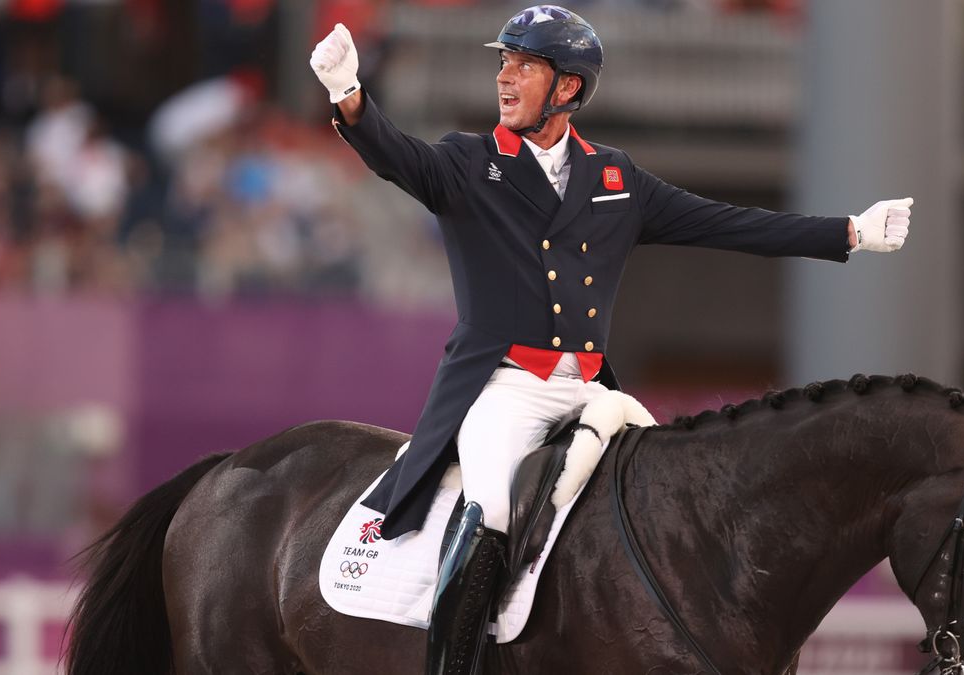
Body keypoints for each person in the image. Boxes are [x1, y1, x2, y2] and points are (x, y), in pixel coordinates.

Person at [309, 7, 911, 674]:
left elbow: (727, 223)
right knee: (493, 511)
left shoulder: (617, 178)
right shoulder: (467, 163)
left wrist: (849, 232)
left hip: (590, 393)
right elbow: (399, 158)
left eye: (524, 66)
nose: (505, 78)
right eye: (503, 63)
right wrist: (349, 95)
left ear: (567, 88)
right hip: (503, 391)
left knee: (665, 505)